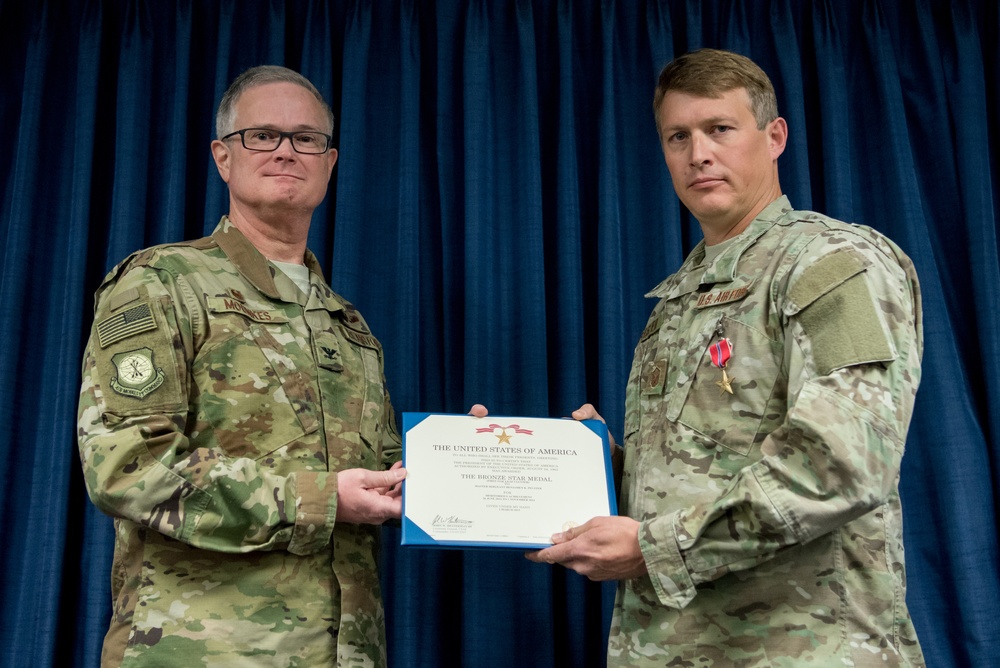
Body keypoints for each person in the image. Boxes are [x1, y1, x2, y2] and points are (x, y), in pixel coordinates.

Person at [526, 49, 926, 666]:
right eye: (677, 136)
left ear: (774, 137)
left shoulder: (830, 264)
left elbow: (844, 462)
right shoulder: (681, 296)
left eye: (719, 129)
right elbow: (701, 468)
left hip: (802, 648)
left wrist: (658, 547)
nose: (698, 154)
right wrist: (588, 468)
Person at [77, 66, 406, 667]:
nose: (286, 150)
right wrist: (321, 499)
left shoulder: (348, 326)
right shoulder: (161, 282)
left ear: (329, 164)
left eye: (307, 138)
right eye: (263, 135)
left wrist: (462, 459)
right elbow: (125, 464)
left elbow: (380, 476)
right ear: (222, 156)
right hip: (199, 650)